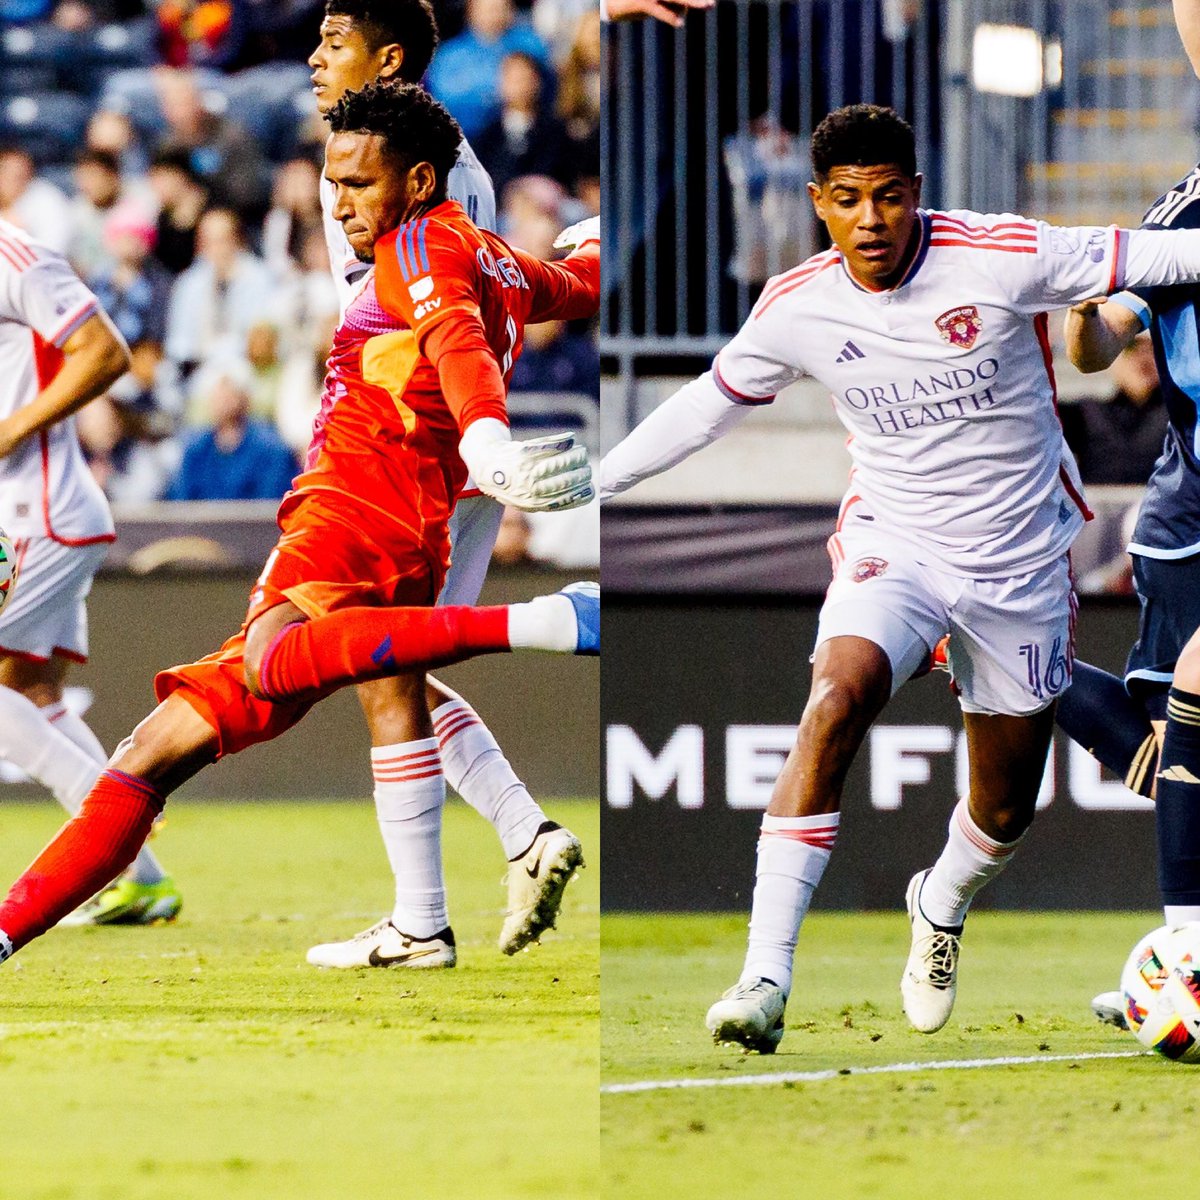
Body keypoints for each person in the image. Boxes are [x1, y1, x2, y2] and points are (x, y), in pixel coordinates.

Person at [599, 102, 1200, 1053]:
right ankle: (763, 977)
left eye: (887, 197)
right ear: (818, 206)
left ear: (916, 195)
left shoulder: (1002, 254)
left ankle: (941, 902)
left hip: (1018, 561)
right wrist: (595, 483)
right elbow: (703, 409)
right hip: (896, 543)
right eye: (847, 201)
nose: (870, 219)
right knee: (837, 695)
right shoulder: (797, 307)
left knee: (1002, 807)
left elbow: (1165, 256)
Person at [0, 80, 599, 972]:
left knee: (271, 661)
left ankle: (541, 622)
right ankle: (422, 925)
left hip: (352, 515)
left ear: (422, 178)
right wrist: (592, 244)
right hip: (410, 531)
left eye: (360, 183)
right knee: (158, 748)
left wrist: (490, 443)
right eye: (334, 181)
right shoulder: (486, 253)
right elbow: (567, 285)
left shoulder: (421, 245)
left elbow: (458, 351)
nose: (342, 204)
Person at [306, 0, 581, 964]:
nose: (314, 58)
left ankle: (424, 917)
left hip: (412, 441)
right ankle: (525, 836)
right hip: (439, 439)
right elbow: (509, 282)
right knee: (395, 664)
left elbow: (443, 308)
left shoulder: (420, 176)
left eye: (334, 42)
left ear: (387, 58)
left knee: (372, 658)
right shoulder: (409, 149)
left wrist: (478, 434)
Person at [1055, 0, 1200, 1030]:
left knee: (1178, 745)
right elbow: (1102, 340)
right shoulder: (1188, 211)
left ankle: (1184, 953)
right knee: (1179, 735)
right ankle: (1187, 954)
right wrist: (1081, 312)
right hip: (1195, 516)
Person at [0, 215, 183, 926]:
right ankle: (140, 879)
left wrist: (10, 431)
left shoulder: (15, 256)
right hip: (32, 516)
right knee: (31, 689)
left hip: (31, 517)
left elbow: (104, 354)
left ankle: (116, 818)